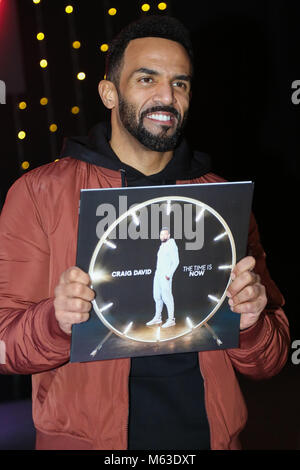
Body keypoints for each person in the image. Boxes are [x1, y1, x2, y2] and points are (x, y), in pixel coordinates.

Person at [0, 15, 290, 450]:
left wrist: (252, 325)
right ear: (109, 92)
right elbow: (7, 345)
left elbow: (270, 360)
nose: (166, 96)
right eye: (147, 78)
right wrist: (56, 322)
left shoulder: (221, 200)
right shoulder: (39, 194)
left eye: (180, 83)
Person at [147, 227, 179, 328]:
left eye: (165, 234)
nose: (163, 236)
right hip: (158, 274)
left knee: (167, 297)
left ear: (169, 235)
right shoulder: (162, 246)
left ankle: (171, 319)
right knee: (156, 296)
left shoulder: (171, 244)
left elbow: (176, 261)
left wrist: (168, 275)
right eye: (161, 234)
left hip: (165, 275)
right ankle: (158, 317)